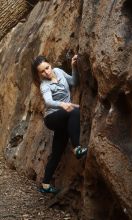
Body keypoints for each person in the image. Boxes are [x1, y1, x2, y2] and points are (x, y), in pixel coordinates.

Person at [31, 54, 88, 194]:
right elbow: (49, 102)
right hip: (52, 118)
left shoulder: (59, 72)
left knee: (57, 151)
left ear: (50, 65)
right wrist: (63, 104)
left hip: (64, 118)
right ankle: (77, 148)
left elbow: (74, 82)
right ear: (39, 74)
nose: (47, 72)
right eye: (42, 71)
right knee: (74, 111)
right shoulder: (44, 85)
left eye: (47, 68)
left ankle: (45, 184)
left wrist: (74, 66)